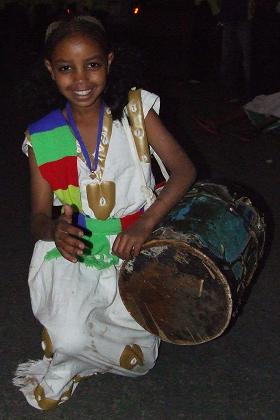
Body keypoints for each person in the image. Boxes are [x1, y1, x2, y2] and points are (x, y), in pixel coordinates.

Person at [13, 15, 196, 410]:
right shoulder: (43, 135)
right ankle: (69, 356)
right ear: (51, 70)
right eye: (66, 68)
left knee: (140, 363)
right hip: (75, 251)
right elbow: (38, 217)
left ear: (110, 61)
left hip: (134, 247)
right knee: (69, 338)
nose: (81, 79)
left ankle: (78, 355)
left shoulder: (135, 112)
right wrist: (53, 232)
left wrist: (147, 222)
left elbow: (184, 171)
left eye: (92, 64)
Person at [219, 0, 256, 101]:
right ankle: (231, 90)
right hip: (232, 14)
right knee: (230, 56)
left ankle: (246, 91)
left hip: (240, 15)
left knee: (242, 56)